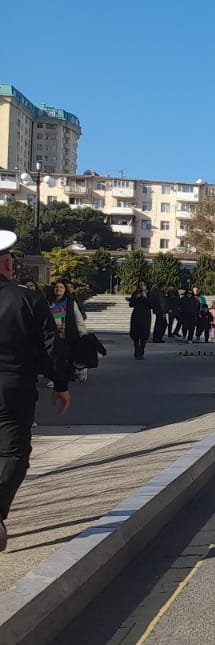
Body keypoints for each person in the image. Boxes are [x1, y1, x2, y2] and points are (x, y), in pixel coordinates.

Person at [0, 230, 70, 550]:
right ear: (5, 262)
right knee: (15, 452)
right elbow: (50, 348)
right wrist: (60, 383)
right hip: (13, 389)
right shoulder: (27, 299)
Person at [128, 283, 154, 359]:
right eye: (141, 285)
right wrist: (136, 297)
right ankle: (136, 350)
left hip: (145, 316)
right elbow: (131, 304)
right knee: (136, 335)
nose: (142, 286)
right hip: (137, 315)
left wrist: (146, 297)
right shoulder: (136, 293)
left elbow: (151, 305)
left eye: (144, 285)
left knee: (144, 334)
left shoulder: (149, 294)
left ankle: (141, 352)